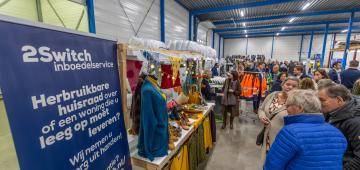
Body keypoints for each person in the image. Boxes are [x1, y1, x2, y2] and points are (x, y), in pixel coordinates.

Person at [264, 90, 347, 170]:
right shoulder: (337, 133)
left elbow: (272, 166)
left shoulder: (290, 132)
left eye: (288, 105)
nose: (286, 108)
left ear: (299, 108)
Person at [258, 76, 300, 166]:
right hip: (267, 136)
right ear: (282, 85)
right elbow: (261, 109)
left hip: (282, 141)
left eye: (294, 86)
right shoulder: (272, 95)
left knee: (277, 163)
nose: (290, 87)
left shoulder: (297, 103)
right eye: (287, 84)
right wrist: (262, 116)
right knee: (266, 161)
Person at [318, 84, 360, 169]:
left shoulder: (355, 122)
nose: (319, 103)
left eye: (322, 100)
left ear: (339, 100)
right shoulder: (330, 113)